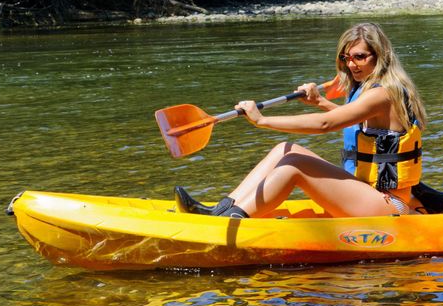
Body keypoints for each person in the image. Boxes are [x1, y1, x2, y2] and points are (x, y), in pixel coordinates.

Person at [175, 22, 428, 219]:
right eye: (346, 58)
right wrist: (319, 102)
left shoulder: (382, 94)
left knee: (294, 165)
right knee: (285, 149)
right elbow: (352, 120)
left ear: (379, 56)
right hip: (366, 192)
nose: (351, 65)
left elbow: (326, 124)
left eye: (360, 57)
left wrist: (262, 120)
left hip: (388, 203)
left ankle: (234, 219)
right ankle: (224, 209)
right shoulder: (374, 90)